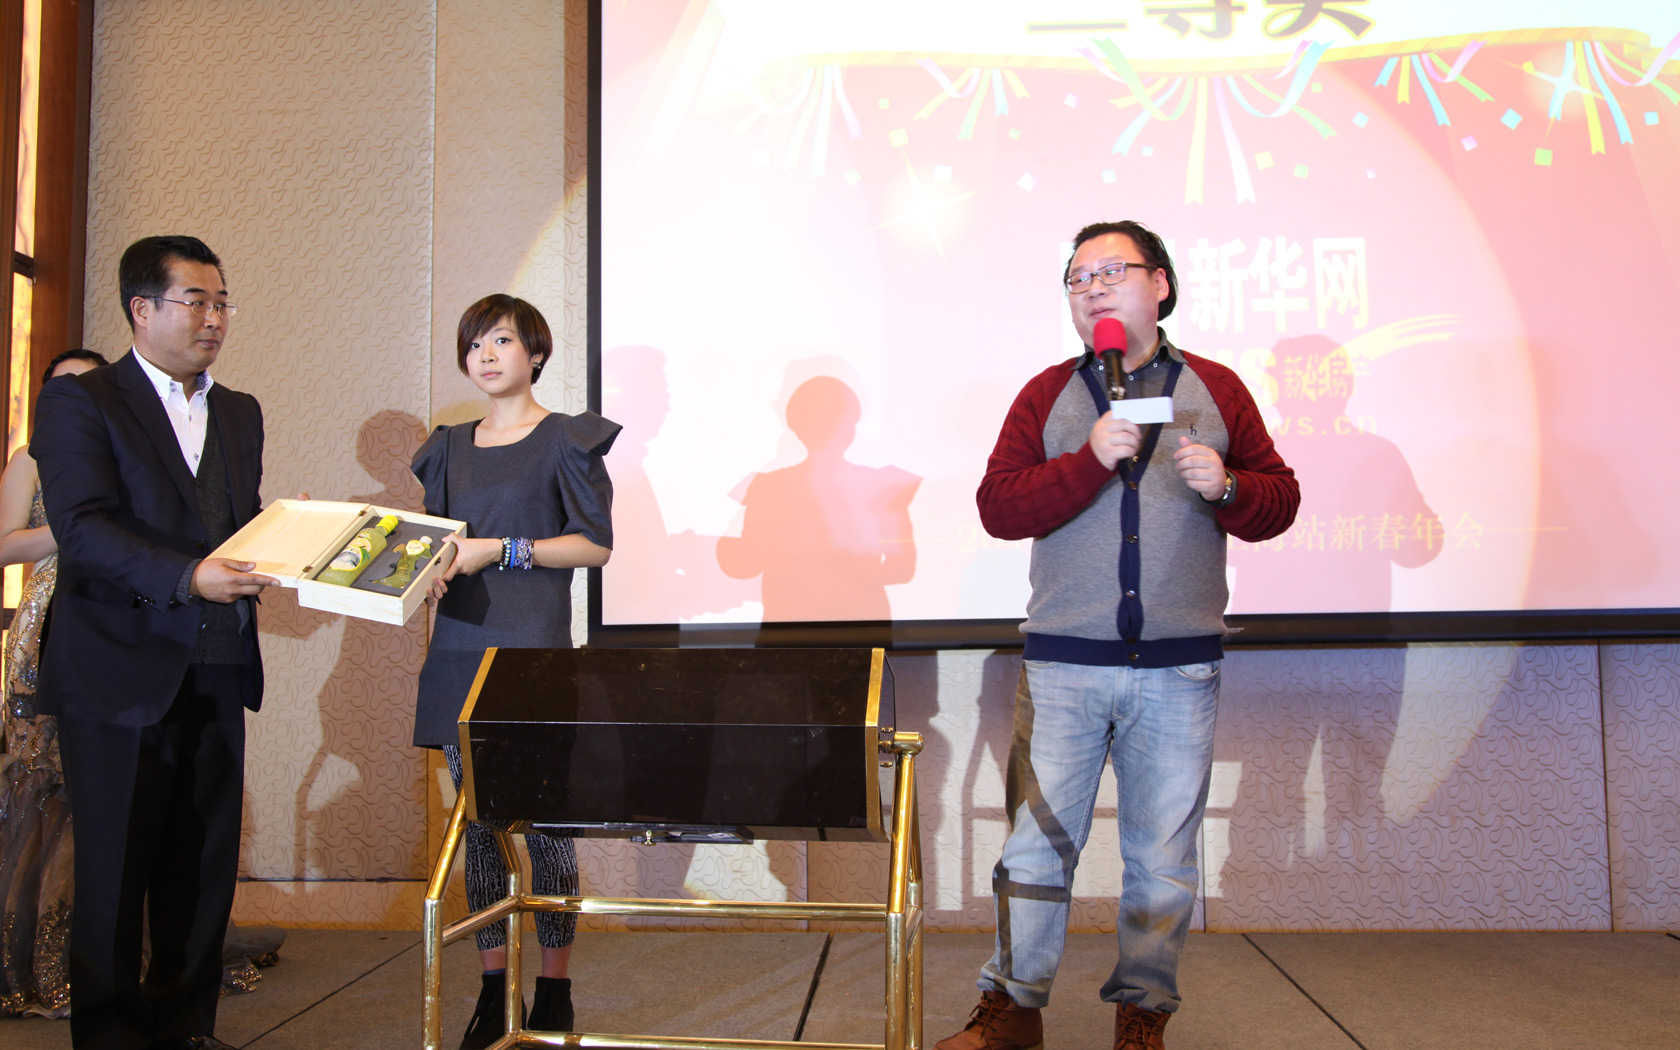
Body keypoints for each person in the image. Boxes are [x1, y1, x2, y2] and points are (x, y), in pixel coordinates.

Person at [940, 221, 1299, 1050]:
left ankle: (1143, 1014)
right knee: (1035, 850)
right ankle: (1012, 1010)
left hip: (1179, 669)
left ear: (1161, 284)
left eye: (1111, 271)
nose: (1093, 288)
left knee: (1162, 860)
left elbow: (1278, 503)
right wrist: (1087, 460)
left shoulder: (1217, 388)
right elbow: (999, 508)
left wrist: (1230, 486)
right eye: (1078, 278)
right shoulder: (1047, 394)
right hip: (1064, 663)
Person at [30, 236, 278, 1050]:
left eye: (222, 302)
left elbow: (233, 521)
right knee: (114, 875)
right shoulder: (82, 401)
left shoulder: (239, 410)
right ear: (142, 309)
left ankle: (187, 1031)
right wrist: (188, 577)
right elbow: (82, 529)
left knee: (199, 872)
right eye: (196, 301)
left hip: (219, 663)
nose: (215, 319)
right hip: (117, 670)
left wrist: (290, 541)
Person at [411, 294, 618, 1048]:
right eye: (475, 344)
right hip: (458, 651)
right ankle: (493, 988)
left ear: (535, 353)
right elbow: (434, 545)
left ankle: (554, 989)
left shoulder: (566, 439)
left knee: (549, 827)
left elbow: (594, 545)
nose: (487, 355)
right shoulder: (446, 448)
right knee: (481, 828)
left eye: (502, 340)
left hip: (532, 655)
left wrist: (502, 549)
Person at [0, 348, 106, 1017]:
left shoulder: (120, 453)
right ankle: (37, 964)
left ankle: (90, 958)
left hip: (108, 625)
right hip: (44, 627)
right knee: (41, 791)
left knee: (96, 792)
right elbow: (4, 542)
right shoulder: (31, 458)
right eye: (64, 387)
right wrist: (66, 531)